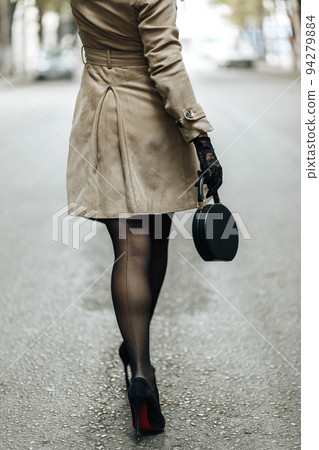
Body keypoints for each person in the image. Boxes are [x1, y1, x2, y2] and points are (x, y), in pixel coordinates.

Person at [67, 0, 223, 439]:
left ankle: (140, 366)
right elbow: (164, 58)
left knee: (127, 250)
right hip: (147, 115)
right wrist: (200, 134)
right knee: (154, 239)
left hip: (98, 110)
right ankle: (139, 365)